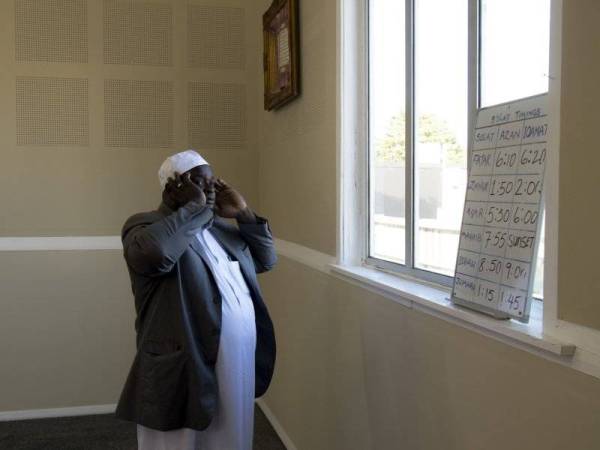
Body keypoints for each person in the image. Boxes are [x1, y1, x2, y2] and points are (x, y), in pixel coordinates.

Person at [114, 149, 277, 450]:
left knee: (230, 438)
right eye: (201, 183)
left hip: (235, 363)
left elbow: (265, 260)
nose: (211, 190)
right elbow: (155, 256)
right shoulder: (144, 226)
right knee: (178, 442)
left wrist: (243, 214)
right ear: (173, 188)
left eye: (213, 183)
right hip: (182, 364)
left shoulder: (222, 232)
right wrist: (194, 208)